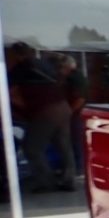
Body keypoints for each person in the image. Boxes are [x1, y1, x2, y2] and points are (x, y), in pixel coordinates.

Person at [7, 43, 77, 192]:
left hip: (47, 110)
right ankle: (69, 180)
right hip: (62, 106)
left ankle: (46, 182)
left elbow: (5, 85)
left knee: (31, 148)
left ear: (16, 55)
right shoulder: (43, 64)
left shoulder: (22, 67)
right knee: (64, 146)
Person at [58, 55, 88, 171]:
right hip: (76, 113)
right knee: (75, 141)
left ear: (67, 66)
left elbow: (80, 98)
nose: (60, 70)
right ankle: (77, 167)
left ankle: (78, 168)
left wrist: (69, 112)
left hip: (76, 114)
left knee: (75, 142)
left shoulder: (74, 78)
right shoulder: (75, 77)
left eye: (62, 67)